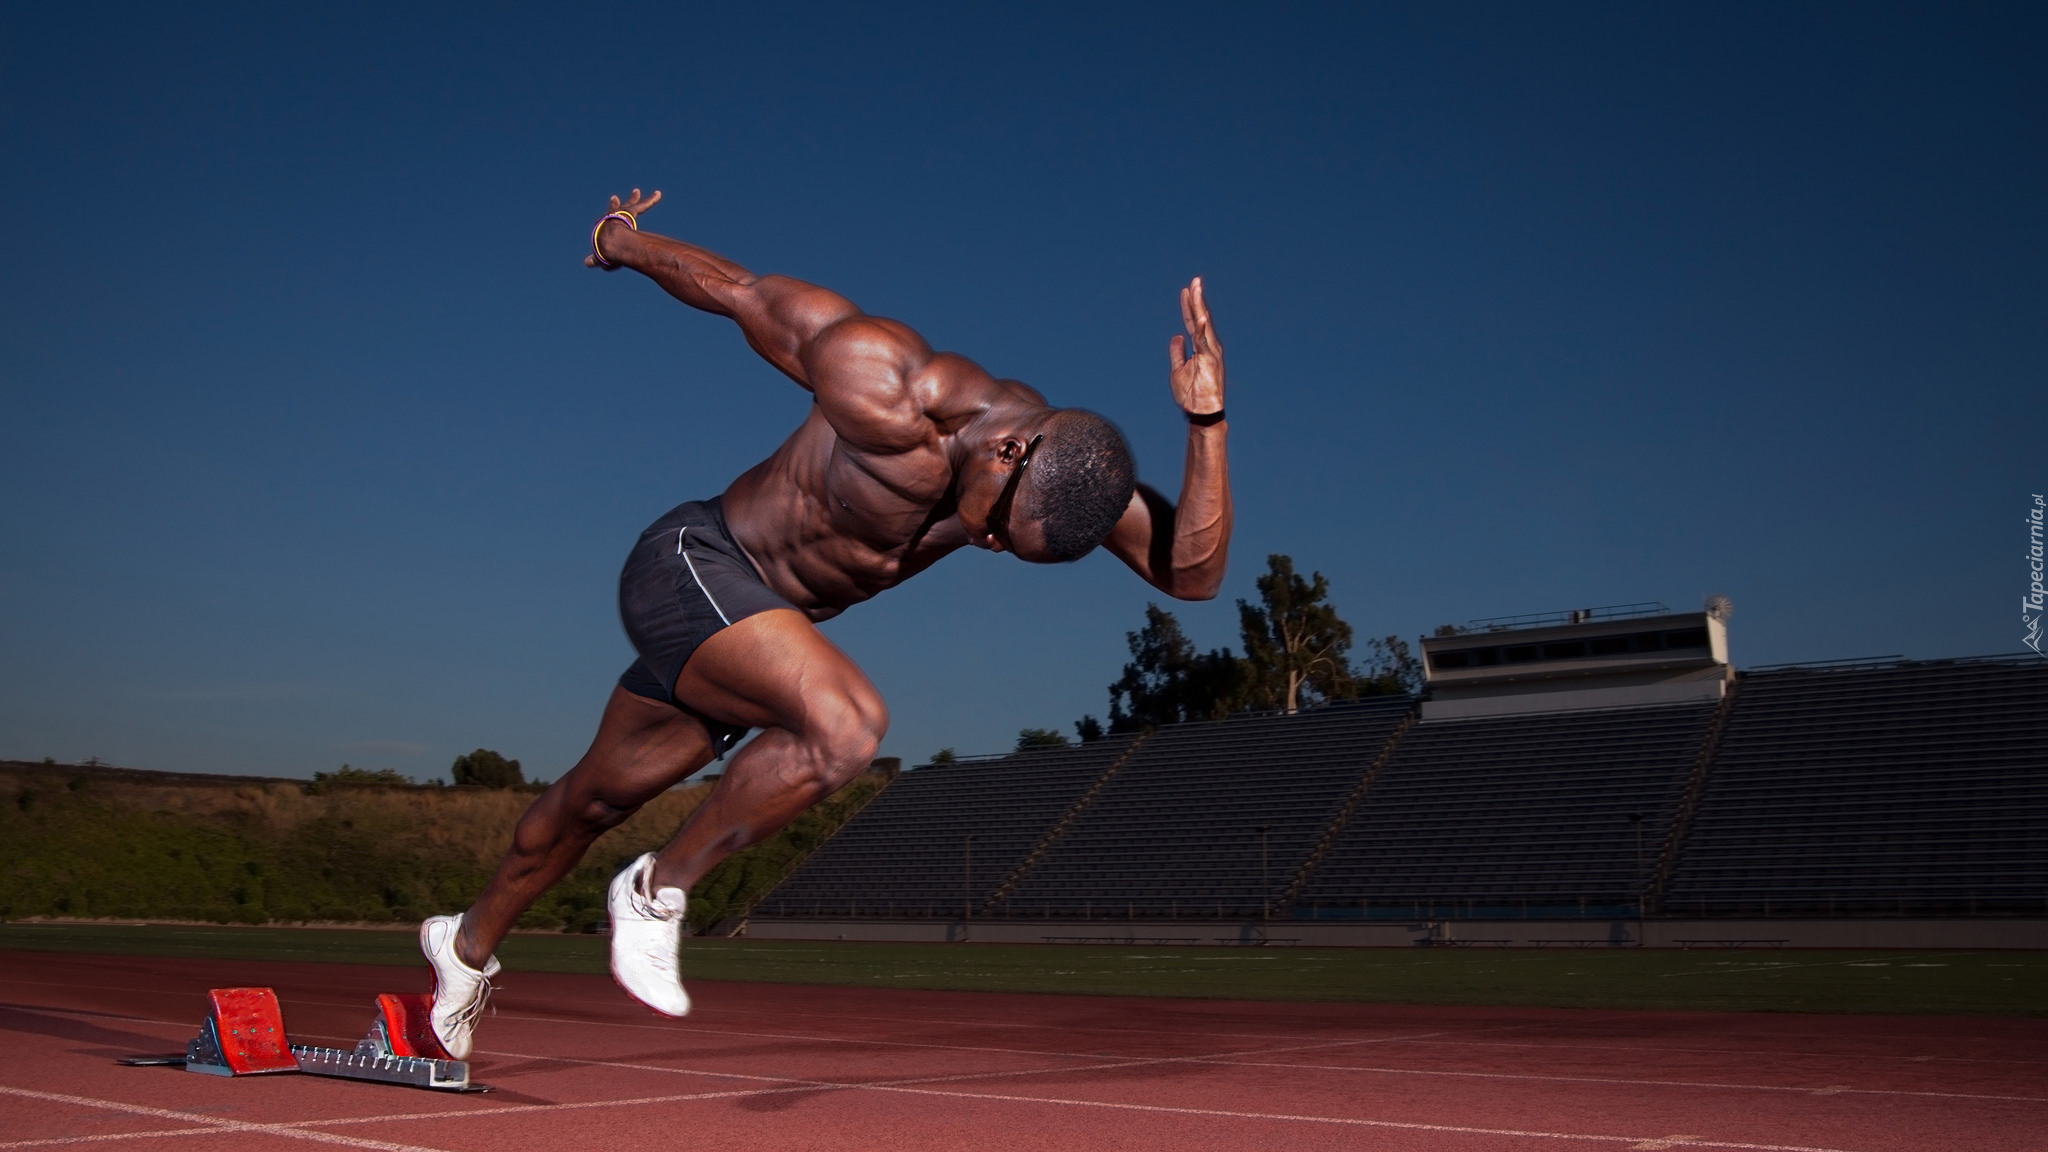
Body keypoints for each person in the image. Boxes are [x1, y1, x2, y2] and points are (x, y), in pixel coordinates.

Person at [419, 188, 1233, 1058]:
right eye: (995, 526)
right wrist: (621, 240)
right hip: (695, 563)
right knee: (848, 726)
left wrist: (1207, 422)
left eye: (1009, 547)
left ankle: (463, 950)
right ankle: (656, 891)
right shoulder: (882, 379)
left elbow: (1190, 576)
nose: (989, 545)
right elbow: (735, 289)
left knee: (593, 801)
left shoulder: (1064, 477)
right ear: (1005, 448)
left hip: (759, 634)